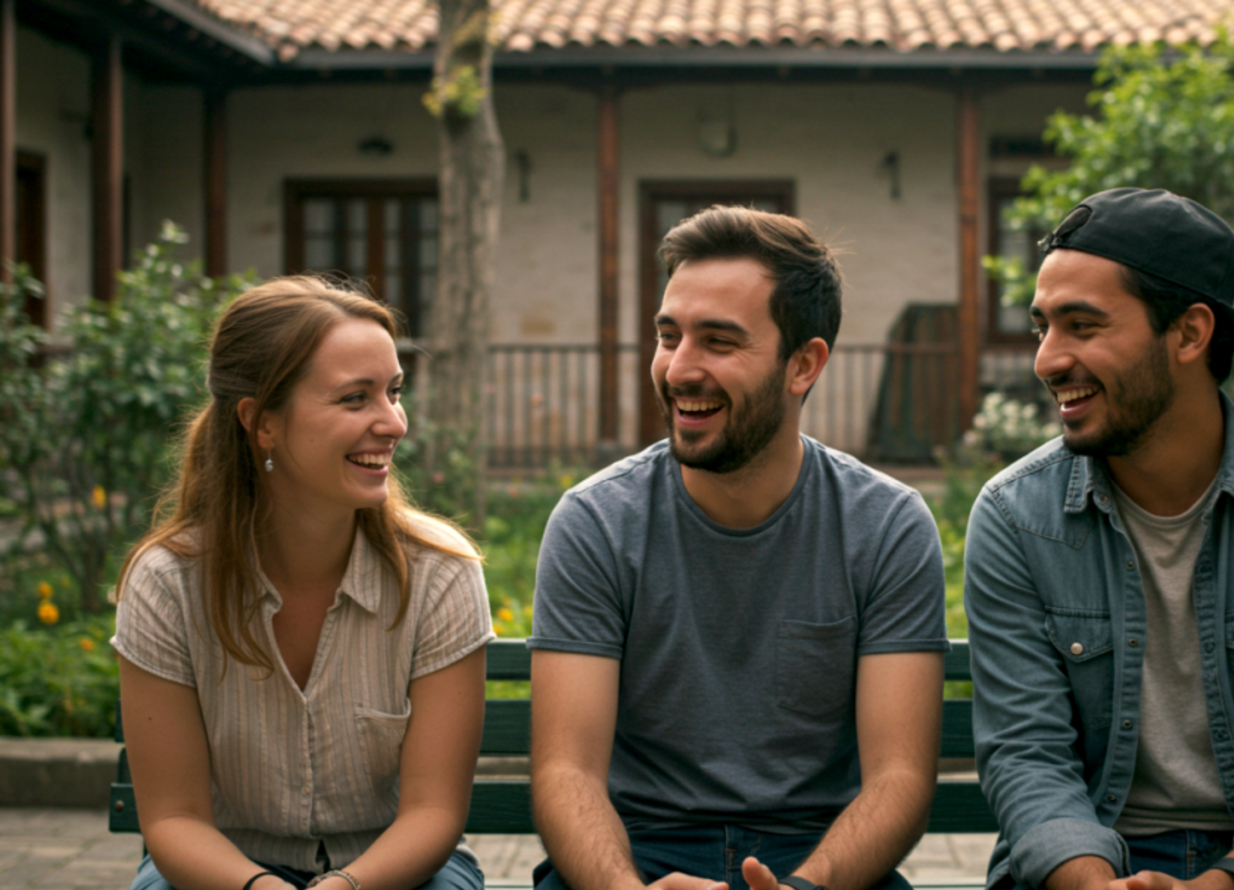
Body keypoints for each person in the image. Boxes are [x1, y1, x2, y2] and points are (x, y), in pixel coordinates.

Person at [964, 189, 1234, 890]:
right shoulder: (1017, 516)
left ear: (1191, 334)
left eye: (1083, 325)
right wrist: (1096, 883)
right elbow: (1026, 756)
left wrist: (1229, 882)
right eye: (1042, 326)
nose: (1048, 360)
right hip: (1082, 860)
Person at [527, 206, 949, 890]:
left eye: (719, 342)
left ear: (803, 364)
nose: (680, 369)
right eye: (670, 336)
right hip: (636, 855)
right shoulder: (596, 522)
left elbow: (898, 779)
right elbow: (565, 772)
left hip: (820, 862)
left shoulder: (885, 525)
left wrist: (806, 888)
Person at [111, 277, 494, 890]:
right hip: (219, 870)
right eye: (354, 399)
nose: (393, 422)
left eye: (394, 393)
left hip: (399, 869)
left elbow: (433, 812)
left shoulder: (440, 574)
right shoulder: (168, 584)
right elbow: (176, 818)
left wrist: (344, 887)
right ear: (260, 423)